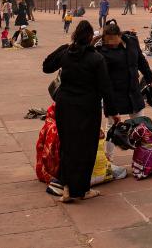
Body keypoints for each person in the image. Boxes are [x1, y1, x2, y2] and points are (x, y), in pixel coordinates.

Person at [43, 21, 118, 202]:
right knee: (86, 148)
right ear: (91, 37)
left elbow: (46, 66)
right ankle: (82, 190)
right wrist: (112, 112)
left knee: (68, 146)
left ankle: (68, 189)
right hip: (87, 107)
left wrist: (65, 48)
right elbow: (106, 88)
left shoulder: (66, 52)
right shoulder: (96, 58)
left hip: (65, 105)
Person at [94, 22, 152, 156]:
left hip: (133, 91)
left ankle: (143, 156)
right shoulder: (101, 51)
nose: (111, 43)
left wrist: (149, 76)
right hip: (114, 93)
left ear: (119, 35)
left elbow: (141, 60)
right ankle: (107, 158)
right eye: (107, 41)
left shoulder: (132, 42)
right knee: (112, 125)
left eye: (113, 39)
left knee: (140, 124)